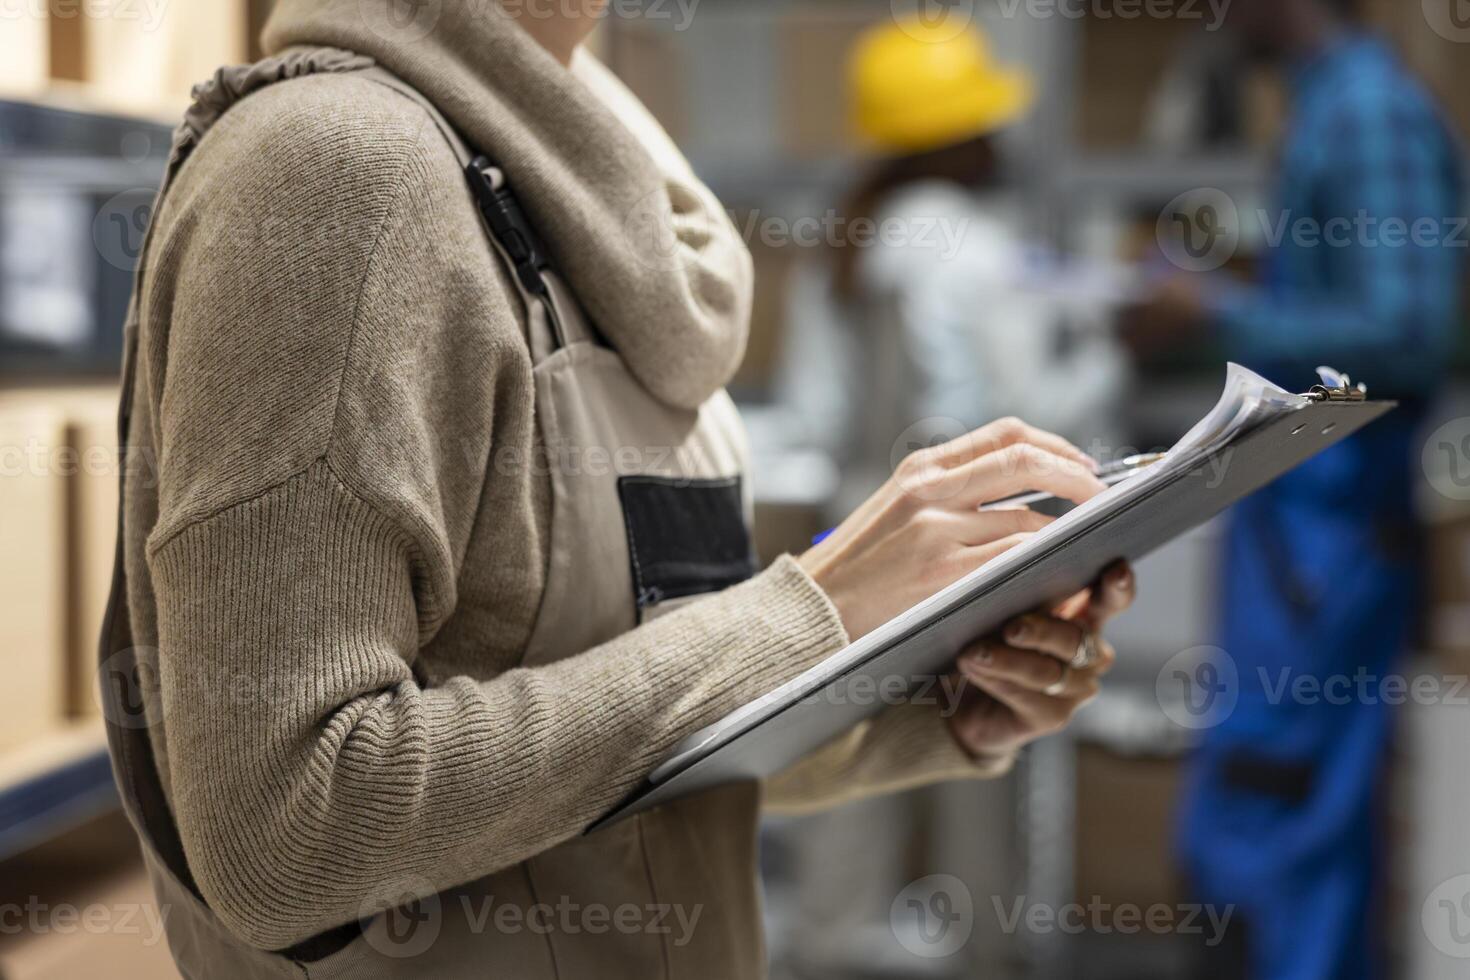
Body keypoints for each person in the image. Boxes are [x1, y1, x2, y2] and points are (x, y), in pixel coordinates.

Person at [98, 2, 1137, 977]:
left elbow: (624, 730)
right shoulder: (336, 175)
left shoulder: (600, 189)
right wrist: (805, 613)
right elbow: (291, 828)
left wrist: (936, 706)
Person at [1125, 0, 1464, 976]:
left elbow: (1409, 329)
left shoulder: (1370, 115)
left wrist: (1221, 313)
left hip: (1334, 533)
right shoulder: (1330, 108)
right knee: (1269, 801)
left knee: (1284, 800)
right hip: (1299, 528)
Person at [774, 18, 1128, 517]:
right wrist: (1113, 356)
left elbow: (814, 419)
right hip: (965, 543)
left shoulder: (838, 247)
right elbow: (1023, 422)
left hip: (860, 529)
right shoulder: (977, 251)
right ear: (967, 139)